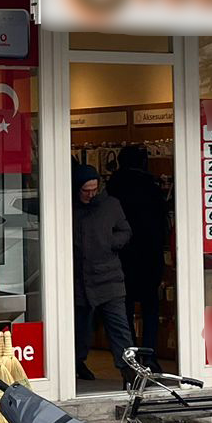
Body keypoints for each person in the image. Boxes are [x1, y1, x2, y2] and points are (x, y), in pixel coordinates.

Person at [72, 161, 134, 384]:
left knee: (119, 328)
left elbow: (125, 231)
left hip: (109, 278)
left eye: (93, 189)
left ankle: (129, 371)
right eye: (85, 190)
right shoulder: (69, 209)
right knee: (81, 330)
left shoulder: (110, 205)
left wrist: (110, 243)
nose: (90, 194)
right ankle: (77, 363)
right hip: (79, 279)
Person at [106, 144, 170, 359]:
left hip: (123, 256)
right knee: (151, 306)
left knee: (125, 309)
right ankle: (150, 356)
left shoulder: (113, 186)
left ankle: (130, 355)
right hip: (150, 256)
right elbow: (162, 223)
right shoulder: (151, 186)